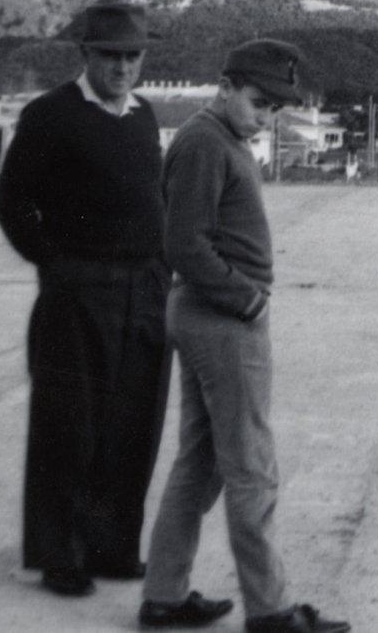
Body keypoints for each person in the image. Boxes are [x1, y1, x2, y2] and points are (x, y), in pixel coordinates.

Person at [139, 39, 351, 633]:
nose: (266, 117)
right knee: (252, 469)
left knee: (202, 463)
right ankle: (272, 610)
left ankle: (163, 594)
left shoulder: (220, 138)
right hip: (223, 320)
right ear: (225, 87)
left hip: (210, 316)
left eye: (275, 109)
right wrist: (248, 298)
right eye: (258, 102)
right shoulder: (206, 142)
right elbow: (183, 243)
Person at [0, 0, 180, 601]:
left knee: (133, 424)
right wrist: (55, 266)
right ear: (86, 53)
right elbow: (13, 202)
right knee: (68, 425)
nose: (122, 67)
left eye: (132, 56)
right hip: (80, 293)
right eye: (110, 56)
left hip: (145, 292)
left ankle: (110, 549)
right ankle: (58, 555)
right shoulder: (50, 115)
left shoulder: (145, 116)